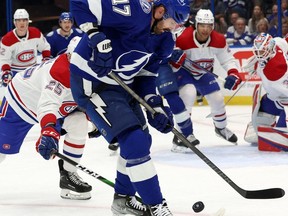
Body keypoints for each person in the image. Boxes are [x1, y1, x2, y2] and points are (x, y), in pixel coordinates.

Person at [68, 0, 189, 215]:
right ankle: (156, 207)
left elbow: (146, 76)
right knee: (134, 141)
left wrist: (155, 105)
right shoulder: (133, 10)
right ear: (160, 12)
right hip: (92, 82)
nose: (175, 29)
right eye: (174, 22)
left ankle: (123, 199)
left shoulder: (165, 41)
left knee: (143, 139)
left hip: (123, 85)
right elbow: (79, 3)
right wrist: (95, 36)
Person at [0, 36, 92, 200]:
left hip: (55, 106)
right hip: (21, 102)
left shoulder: (94, 68)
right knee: (1, 150)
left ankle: (68, 176)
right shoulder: (60, 72)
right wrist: (49, 130)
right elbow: (47, 104)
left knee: (79, 122)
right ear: (70, 56)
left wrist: (95, 120)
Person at [167, 9, 242, 153]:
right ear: (196, 25)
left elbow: (228, 60)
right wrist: (174, 58)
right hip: (184, 72)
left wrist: (233, 74)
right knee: (188, 93)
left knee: (217, 98)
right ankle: (182, 134)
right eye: (202, 25)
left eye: (209, 26)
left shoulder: (219, 40)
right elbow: (169, 57)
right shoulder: (183, 38)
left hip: (202, 72)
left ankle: (220, 128)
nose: (205, 29)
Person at [244, 33, 288, 150]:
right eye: (257, 51)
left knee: (278, 140)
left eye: (261, 52)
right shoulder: (277, 43)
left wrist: (257, 67)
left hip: (285, 100)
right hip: (278, 99)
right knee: (260, 108)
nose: (259, 55)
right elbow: (285, 41)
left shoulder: (275, 71)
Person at [0, 9, 51, 87]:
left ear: (28, 21)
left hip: (33, 70)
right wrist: (6, 72)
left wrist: (46, 58)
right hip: (15, 72)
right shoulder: (7, 40)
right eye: (19, 20)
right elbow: (4, 59)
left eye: (24, 20)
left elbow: (45, 47)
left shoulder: (36, 33)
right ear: (15, 22)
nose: (22, 23)